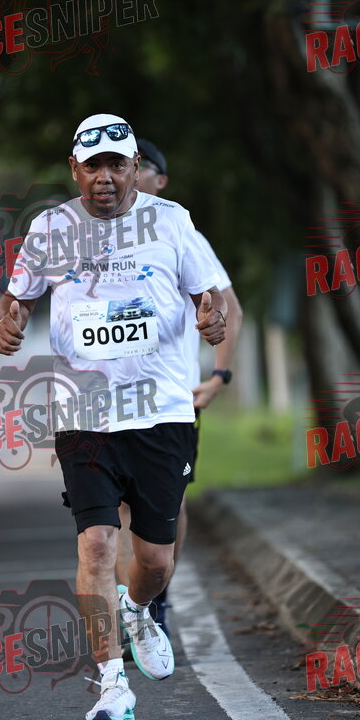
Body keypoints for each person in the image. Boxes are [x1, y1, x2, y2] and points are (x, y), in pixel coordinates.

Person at [0, 113, 227, 720]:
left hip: (162, 411)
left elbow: (209, 295)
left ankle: (138, 609)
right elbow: (18, 295)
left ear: (134, 168)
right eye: (92, 165)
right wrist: (10, 320)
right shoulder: (49, 228)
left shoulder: (171, 221)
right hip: (85, 412)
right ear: (74, 169)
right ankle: (110, 686)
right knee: (97, 543)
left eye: (116, 165)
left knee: (154, 561)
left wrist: (211, 318)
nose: (105, 176)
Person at [115, 140, 243, 638]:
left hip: (171, 398)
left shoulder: (178, 230)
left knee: (168, 505)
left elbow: (229, 308)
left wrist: (218, 378)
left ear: (158, 179)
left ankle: (156, 598)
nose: (125, 174)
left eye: (137, 166)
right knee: (119, 509)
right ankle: (134, 612)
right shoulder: (91, 236)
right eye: (112, 165)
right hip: (110, 399)